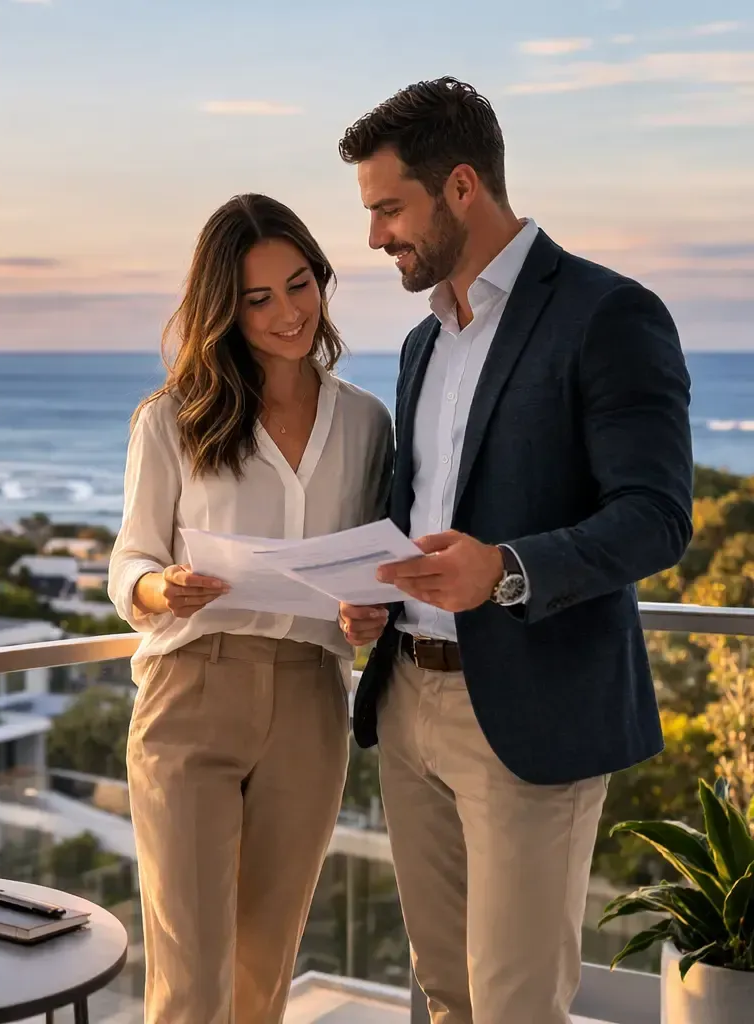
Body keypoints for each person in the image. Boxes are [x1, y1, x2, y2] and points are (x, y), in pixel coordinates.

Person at [335, 78, 693, 1024]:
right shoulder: (422, 345)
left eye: (387, 208)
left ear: (460, 187)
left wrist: (508, 567)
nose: (375, 237)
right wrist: (372, 593)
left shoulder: (609, 315)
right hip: (407, 697)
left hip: (532, 715)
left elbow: (657, 515)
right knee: (446, 992)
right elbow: (420, 506)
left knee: (515, 1005)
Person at [109, 193, 393, 1024]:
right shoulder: (172, 419)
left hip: (310, 698)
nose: (287, 313)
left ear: (322, 280)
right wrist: (165, 588)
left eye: (299, 285)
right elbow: (130, 557)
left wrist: (365, 615)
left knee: (261, 975)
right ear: (223, 311)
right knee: (190, 982)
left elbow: (371, 564)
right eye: (257, 299)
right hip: (192, 691)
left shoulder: (369, 422)